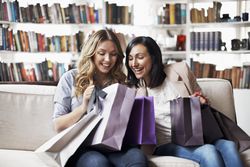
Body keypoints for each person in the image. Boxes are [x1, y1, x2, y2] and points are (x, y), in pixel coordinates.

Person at [125, 36, 244, 167]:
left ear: (153, 57)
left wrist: (201, 100)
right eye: (130, 58)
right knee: (209, 152)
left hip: (195, 136)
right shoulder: (133, 91)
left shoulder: (180, 71)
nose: (134, 64)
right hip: (165, 144)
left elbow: (201, 100)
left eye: (140, 57)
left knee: (229, 146)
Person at [53, 29, 148, 167]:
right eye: (101, 53)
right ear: (91, 53)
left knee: (137, 156)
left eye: (113, 54)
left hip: (115, 148)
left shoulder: (122, 82)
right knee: (98, 163)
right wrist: (83, 108)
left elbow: (133, 130)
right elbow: (58, 125)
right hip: (81, 148)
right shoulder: (71, 79)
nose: (108, 60)